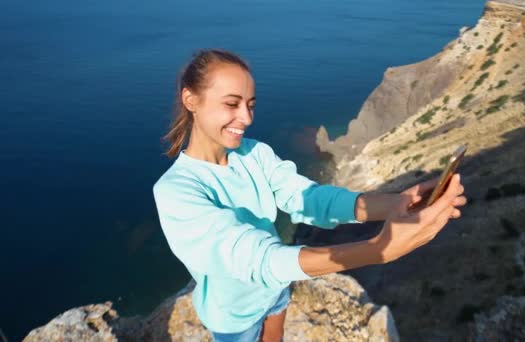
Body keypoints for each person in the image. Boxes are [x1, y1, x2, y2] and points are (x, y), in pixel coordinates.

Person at [152, 49, 466, 342]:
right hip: (235, 317)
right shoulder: (176, 192)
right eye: (232, 104)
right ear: (191, 100)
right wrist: (378, 250)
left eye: (250, 105)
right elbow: (259, 259)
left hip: (276, 292)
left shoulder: (255, 154)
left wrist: (396, 203)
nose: (247, 119)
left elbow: (311, 199)